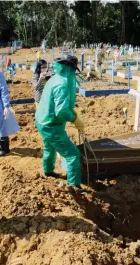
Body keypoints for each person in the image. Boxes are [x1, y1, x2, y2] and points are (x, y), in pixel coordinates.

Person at [35, 56, 84, 189]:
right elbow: (61, 111)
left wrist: (72, 112)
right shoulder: (62, 84)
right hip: (50, 124)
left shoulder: (56, 78)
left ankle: (48, 171)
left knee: (49, 147)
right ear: (69, 68)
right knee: (73, 154)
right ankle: (74, 186)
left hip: (43, 119)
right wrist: (75, 119)